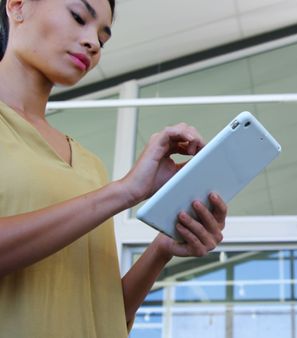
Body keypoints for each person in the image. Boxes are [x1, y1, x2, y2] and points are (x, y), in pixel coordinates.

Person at [0, 0, 227, 336]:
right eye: (79, 17)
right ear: (18, 6)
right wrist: (124, 191)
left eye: (103, 39)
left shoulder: (90, 166)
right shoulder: (111, 189)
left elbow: (102, 314)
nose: (93, 43)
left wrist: (162, 248)